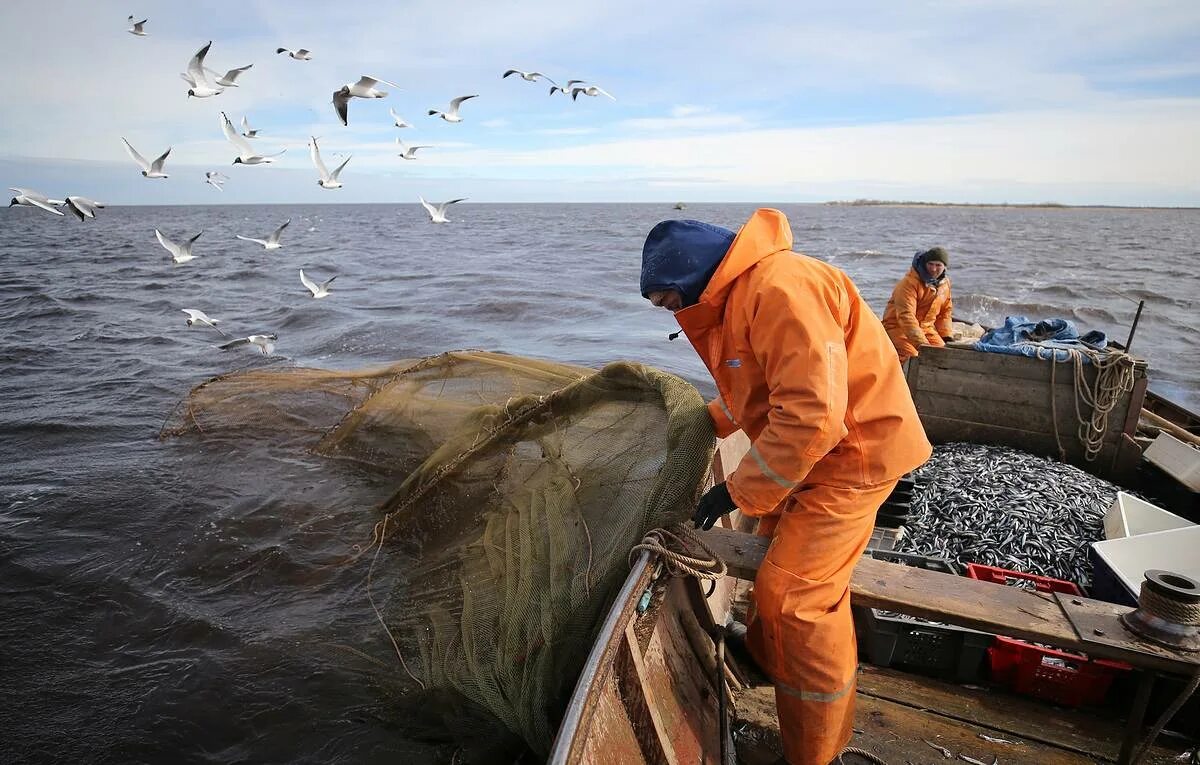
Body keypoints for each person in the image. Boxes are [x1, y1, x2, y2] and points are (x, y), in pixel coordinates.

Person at [641, 209, 931, 765]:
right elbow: (755, 391)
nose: (671, 314)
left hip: (854, 459)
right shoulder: (739, 298)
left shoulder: (779, 288)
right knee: (777, 584)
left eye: (667, 301)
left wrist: (736, 492)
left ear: (691, 277)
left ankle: (817, 752)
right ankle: (771, 661)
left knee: (797, 600)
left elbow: (815, 414)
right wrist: (701, 423)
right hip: (813, 460)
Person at [881, 247, 954, 362]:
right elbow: (906, 316)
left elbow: (945, 313)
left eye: (938, 265)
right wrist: (921, 343)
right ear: (925, 263)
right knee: (914, 357)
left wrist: (946, 337)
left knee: (944, 356)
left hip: (926, 329)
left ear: (945, 266)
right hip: (898, 328)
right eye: (930, 264)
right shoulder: (909, 283)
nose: (934, 269)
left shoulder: (945, 284)